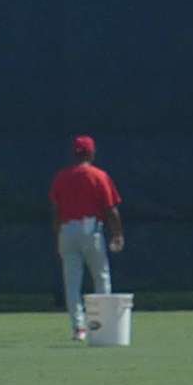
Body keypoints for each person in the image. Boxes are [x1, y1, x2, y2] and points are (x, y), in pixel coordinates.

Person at [52, 135, 123, 340]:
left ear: (75, 153)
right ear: (91, 153)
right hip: (90, 229)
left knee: (72, 282)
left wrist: (59, 234)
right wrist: (118, 233)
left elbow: (56, 210)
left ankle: (79, 328)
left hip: (67, 230)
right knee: (101, 277)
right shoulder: (99, 176)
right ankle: (103, 326)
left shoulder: (61, 177)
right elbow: (110, 209)